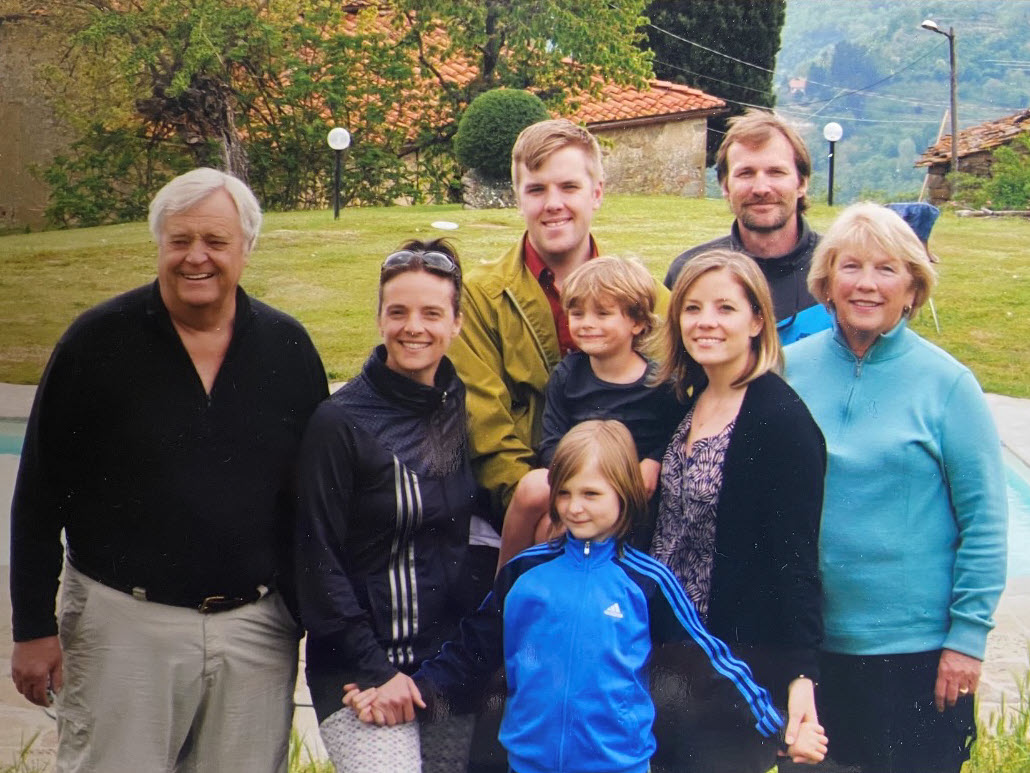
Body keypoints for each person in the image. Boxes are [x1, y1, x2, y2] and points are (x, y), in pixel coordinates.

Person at [9, 167, 328, 772]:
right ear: (158, 244)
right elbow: (38, 495)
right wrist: (32, 627)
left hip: (255, 632)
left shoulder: (288, 350)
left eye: (215, 241)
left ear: (246, 248)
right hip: (122, 625)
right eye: (179, 241)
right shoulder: (96, 343)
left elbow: (309, 501)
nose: (196, 257)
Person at [348, 420, 824, 773]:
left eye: (592, 493)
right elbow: (469, 652)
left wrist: (781, 726)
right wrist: (412, 689)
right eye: (565, 492)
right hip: (527, 765)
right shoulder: (524, 573)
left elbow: (713, 664)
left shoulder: (647, 582)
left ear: (623, 494)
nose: (574, 507)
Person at [784, 202, 1008, 773]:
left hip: (919, 658)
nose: (866, 284)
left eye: (887, 269)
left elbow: (985, 524)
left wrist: (966, 640)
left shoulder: (949, 385)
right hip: (810, 652)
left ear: (913, 289)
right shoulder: (784, 370)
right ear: (827, 282)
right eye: (850, 266)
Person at [294, 240, 486, 773]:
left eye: (431, 313)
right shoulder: (340, 423)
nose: (413, 327)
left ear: (457, 323)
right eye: (397, 312)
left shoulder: (453, 403)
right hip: (359, 673)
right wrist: (376, 673)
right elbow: (318, 563)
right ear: (379, 318)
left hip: (439, 673)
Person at [649, 249, 826, 773]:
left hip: (728, 670)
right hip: (665, 657)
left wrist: (800, 678)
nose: (705, 322)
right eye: (692, 308)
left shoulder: (780, 422)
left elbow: (796, 562)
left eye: (725, 308)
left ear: (756, 321)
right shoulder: (685, 400)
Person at [448, 118, 606, 542]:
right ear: (518, 199)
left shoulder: (642, 298)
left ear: (597, 193)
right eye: (536, 190)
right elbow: (486, 430)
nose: (553, 203)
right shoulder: (480, 298)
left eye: (569, 187)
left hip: (622, 513)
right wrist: (547, 517)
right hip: (527, 517)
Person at [496, 256, 685, 569]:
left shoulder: (660, 383)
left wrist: (654, 459)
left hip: (630, 496)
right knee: (535, 495)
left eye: (602, 313)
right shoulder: (569, 376)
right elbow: (552, 441)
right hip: (577, 484)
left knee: (555, 526)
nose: (587, 323)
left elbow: (675, 435)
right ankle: (505, 584)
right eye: (578, 313)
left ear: (637, 322)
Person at [664, 109, 830, 344]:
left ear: (802, 183)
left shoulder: (838, 270)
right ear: (725, 186)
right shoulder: (688, 272)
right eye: (745, 173)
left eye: (776, 172)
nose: (761, 188)